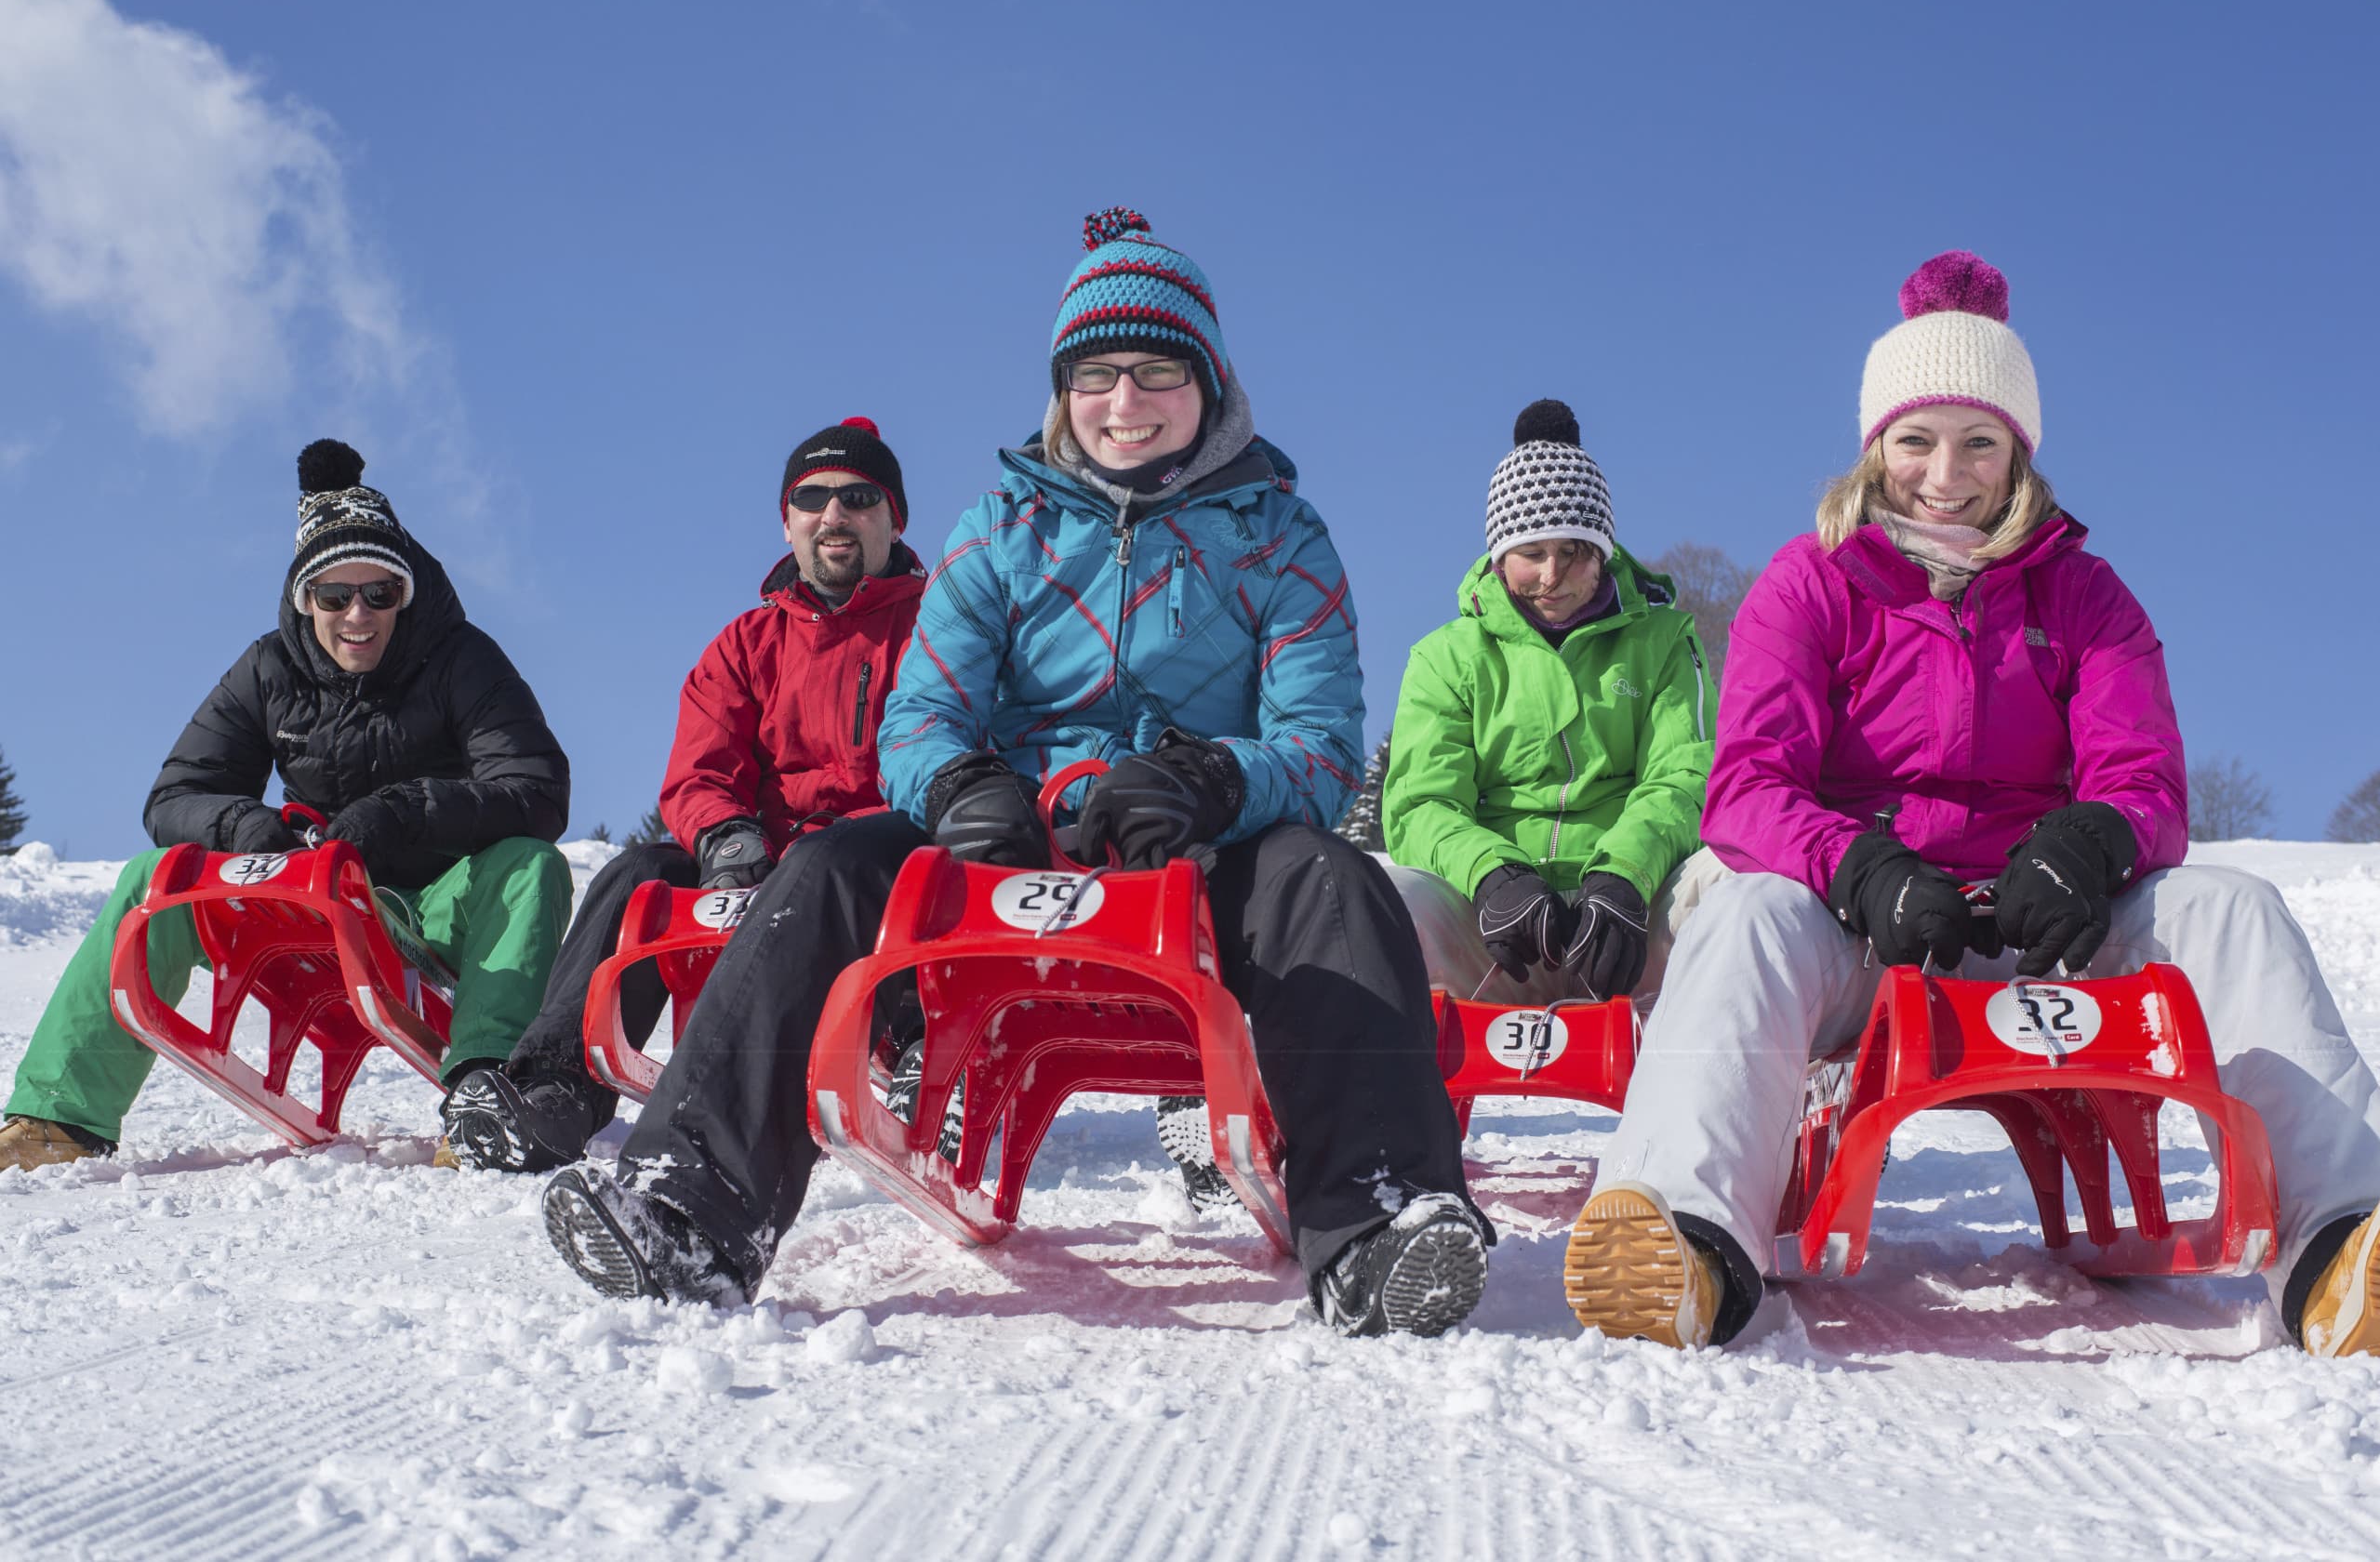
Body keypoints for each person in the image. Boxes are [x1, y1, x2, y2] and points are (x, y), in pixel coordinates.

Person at [538, 209, 1491, 1338]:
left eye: (1156, 373)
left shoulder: (1279, 534)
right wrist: (957, 787)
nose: (1125, 404)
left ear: (1211, 384)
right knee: (837, 866)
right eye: (1096, 375)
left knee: (1332, 882)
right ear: (1061, 389)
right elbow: (925, 706)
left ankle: (1378, 1217)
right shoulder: (1006, 523)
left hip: (1200, 840)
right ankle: (689, 1204)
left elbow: (1320, 742)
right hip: (1019, 819)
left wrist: (1214, 783)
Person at [1565, 252, 2380, 1356]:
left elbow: (2143, 775)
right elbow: (1748, 787)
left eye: (1979, 442)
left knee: (2233, 908)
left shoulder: (2084, 595)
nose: (1946, 474)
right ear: (1875, 447)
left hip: (2051, 924)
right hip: (1867, 927)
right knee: (1746, 918)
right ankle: (1686, 1237)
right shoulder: (1809, 584)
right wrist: (1859, 866)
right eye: (1917, 440)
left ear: (2019, 453)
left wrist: (2089, 843)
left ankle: (2342, 1238)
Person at [0, 442, 572, 1169]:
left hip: (435, 905)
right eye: (335, 595)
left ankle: (487, 1105)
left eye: (380, 594)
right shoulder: (270, 667)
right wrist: (245, 825)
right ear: (307, 600)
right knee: (154, 878)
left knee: (530, 865)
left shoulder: (463, 659)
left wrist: (403, 812)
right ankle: (57, 1119)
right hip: (313, 895)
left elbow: (536, 789)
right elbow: (176, 794)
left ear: (407, 594)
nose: (357, 614)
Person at [441, 419, 926, 1172]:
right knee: (641, 874)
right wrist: (728, 839)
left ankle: (924, 1057)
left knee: (911, 867)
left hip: (878, 864)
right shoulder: (745, 643)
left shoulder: (933, 627)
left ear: (893, 518)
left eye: (859, 497)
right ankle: (553, 1091)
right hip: (764, 859)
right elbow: (700, 769)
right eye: (813, 497)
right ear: (787, 519)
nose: (834, 514)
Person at [1380, 397, 1718, 1013]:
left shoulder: (1663, 640)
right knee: (1378, 899)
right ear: (1497, 553)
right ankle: (1380, 1103)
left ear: (1604, 552)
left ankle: (1730, 1088)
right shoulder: (1445, 656)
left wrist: (1625, 875)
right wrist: (1494, 875)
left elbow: (1686, 775)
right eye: (1531, 553)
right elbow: (1421, 802)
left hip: (1629, 921)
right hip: (1497, 929)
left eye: (1575, 552)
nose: (1552, 575)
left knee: (1734, 880)